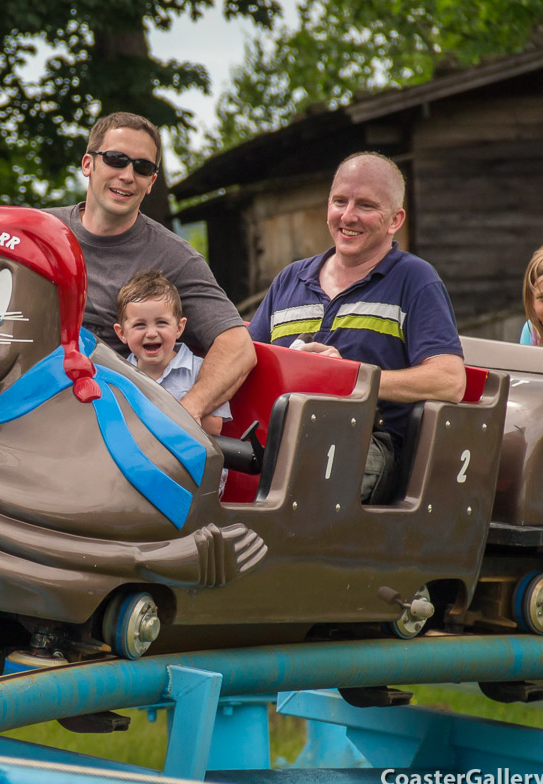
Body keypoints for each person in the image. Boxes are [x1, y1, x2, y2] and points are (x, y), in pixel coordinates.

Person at [248, 152, 466, 504]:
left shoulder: (415, 280)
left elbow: (450, 381)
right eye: (339, 201)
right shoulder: (289, 279)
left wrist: (351, 377)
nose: (348, 216)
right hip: (276, 438)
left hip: (365, 444)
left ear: (395, 220)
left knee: (310, 481)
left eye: (365, 205)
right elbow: (246, 359)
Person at [46, 111, 255, 428]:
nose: (128, 175)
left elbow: (238, 347)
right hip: (24, 399)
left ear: (151, 182)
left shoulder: (176, 258)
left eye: (142, 167)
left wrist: (182, 415)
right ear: (88, 164)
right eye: (116, 160)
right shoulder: (38, 231)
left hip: (100, 419)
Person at [115, 270, 231, 495]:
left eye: (161, 323)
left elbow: (214, 426)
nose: (151, 333)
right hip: (139, 472)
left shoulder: (200, 370)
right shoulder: (119, 373)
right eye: (140, 325)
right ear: (122, 333)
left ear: (179, 327)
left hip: (194, 475)